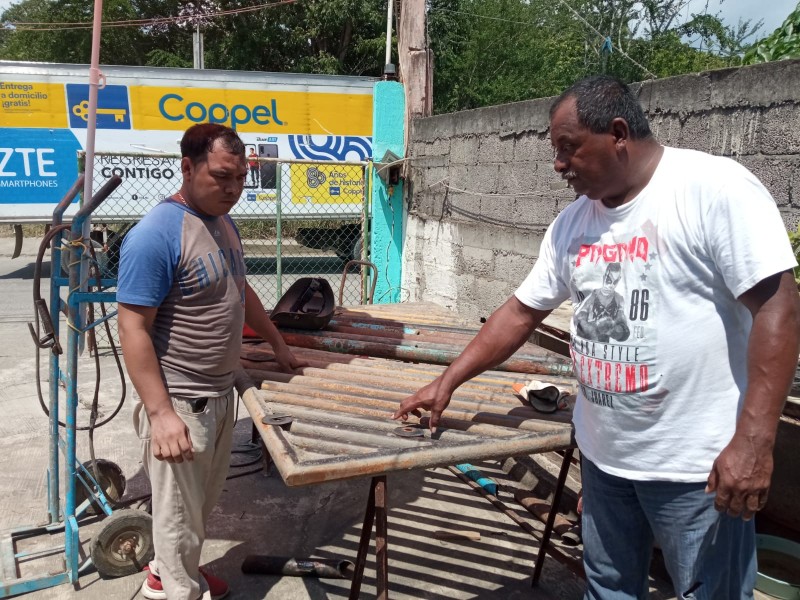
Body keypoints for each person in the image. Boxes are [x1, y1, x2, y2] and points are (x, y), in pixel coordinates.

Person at [393, 76, 800, 599]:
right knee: (608, 588)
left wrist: (754, 443)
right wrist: (448, 381)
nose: (558, 164)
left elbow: (778, 308)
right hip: (606, 464)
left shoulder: (714, 190)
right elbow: (519, 313)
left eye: (568, 148)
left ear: (618, 133)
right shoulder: (572, 224)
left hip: (696, 469)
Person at [117, 123, 303, 600]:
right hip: (180, 400)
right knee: (178, 514)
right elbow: (132, 328)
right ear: (187, 167)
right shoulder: (155, 236)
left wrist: (278, 344)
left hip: (220, 394)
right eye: (222, 176)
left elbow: (240, 291)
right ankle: (179, 589)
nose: (233, 189)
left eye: (241, 177)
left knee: (196, 508)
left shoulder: (223, 223)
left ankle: (169, 570)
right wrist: (160, 415)